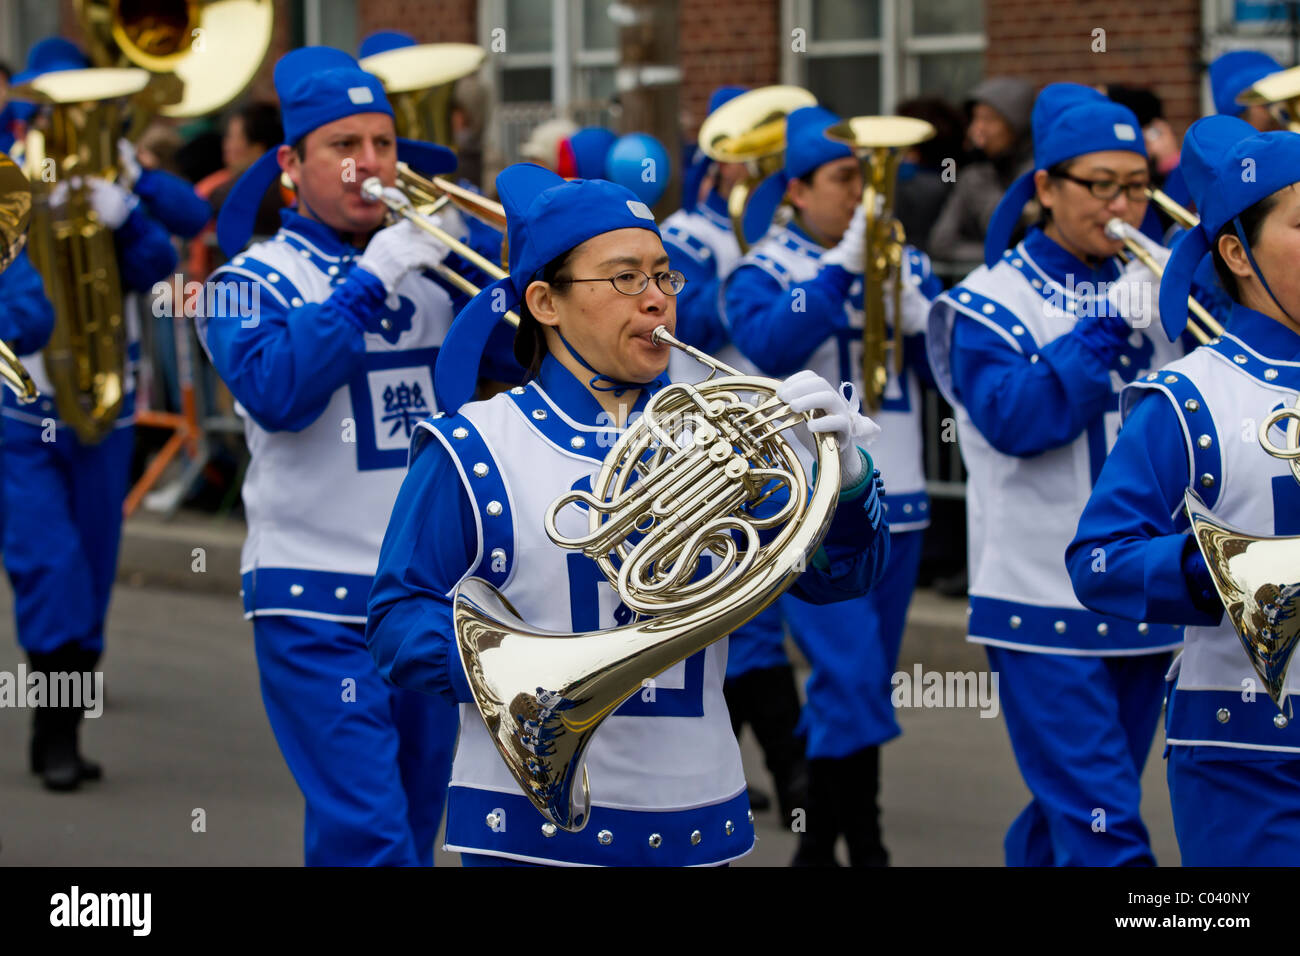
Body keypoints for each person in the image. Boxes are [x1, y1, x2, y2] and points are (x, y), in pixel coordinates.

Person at [367, 162, 892, 867]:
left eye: (664, 277)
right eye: (624, 279)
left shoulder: (725, 438)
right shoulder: (474, 444)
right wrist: (511, 677)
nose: (657, 302)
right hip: (529, 838)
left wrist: (847, 476)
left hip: (699, 822)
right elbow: (396, 619)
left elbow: (837, 581)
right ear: (545, 303)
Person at [200, 45, 503, 866]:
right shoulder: (245, 281)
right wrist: (371, 282)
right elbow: (278, 388)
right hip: (309, 597)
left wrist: (505, 289)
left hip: (427, 596)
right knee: (368, 836)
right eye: (345, 146)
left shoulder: (436, 264)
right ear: (293, 164)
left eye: (383, 144)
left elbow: (527, 376)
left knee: (409, 826)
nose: (370, 165)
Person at [927, 83, 1186, 866]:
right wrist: (1108, 322)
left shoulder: (1162, 282)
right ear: (1044, 188)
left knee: (1069, 814)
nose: (1123, 205)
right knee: (1105, 824)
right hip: (1041, 599)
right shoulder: (987, 302)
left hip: (1145, 592)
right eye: (1100, 186)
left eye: (1137, 187)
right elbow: (1019, 420)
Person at [1068, 115, 1300, 865]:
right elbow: (1097, 560)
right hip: (1247, 756)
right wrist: (1227, 574)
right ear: (1236, 252)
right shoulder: (1190, 397)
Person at [725, 104, 942, 866]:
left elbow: (946, 380)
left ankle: (823, 849)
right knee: (850, 681)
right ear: (796, 190)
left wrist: (925, 320)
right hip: (811, 509)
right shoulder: (764, 269)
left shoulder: (903, 258)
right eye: (845, 178)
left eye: (866, 178)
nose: (860, 194)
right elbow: (767, 343)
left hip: (902, 497)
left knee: (863, 688)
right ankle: (865, 845)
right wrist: (842, 268)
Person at [1, 42, 179, 792]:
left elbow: (162, 260)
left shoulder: (105, 174)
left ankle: (71, 699)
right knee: (50, 564)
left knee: (96, 563)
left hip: (104, 400)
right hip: (19, 407)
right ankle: (54, 734)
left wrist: (125, 210)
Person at [661, 84, 809, 828]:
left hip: (772, 444)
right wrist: (746, 253)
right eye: (755, 161)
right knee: (740, 617)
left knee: (755, 612)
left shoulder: (785, 235)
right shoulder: (685, 232)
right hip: (705, 448)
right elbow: (684, 316)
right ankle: (791, 773)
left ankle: (758, 764)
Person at [928, 77, 1035, 265]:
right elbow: (942, 244)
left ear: (1017, 124)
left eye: (988, 119)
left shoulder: (1038, 173)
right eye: (975, 119)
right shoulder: (975, 175)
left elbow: (1003, 226)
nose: (976, 130)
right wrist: (1006, 259)